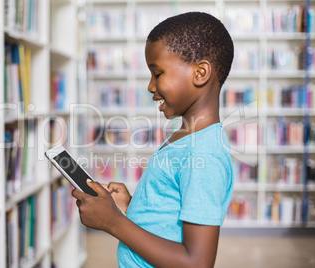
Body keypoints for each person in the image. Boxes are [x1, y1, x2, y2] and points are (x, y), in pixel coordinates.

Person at [72, 11, 235, 267]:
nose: (150, 86)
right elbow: (169, 215)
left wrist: (114, 222)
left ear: (200, 73)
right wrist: (132, 207)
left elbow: (197, 262)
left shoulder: (202, 155)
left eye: (157, 74)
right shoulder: (184, 137)